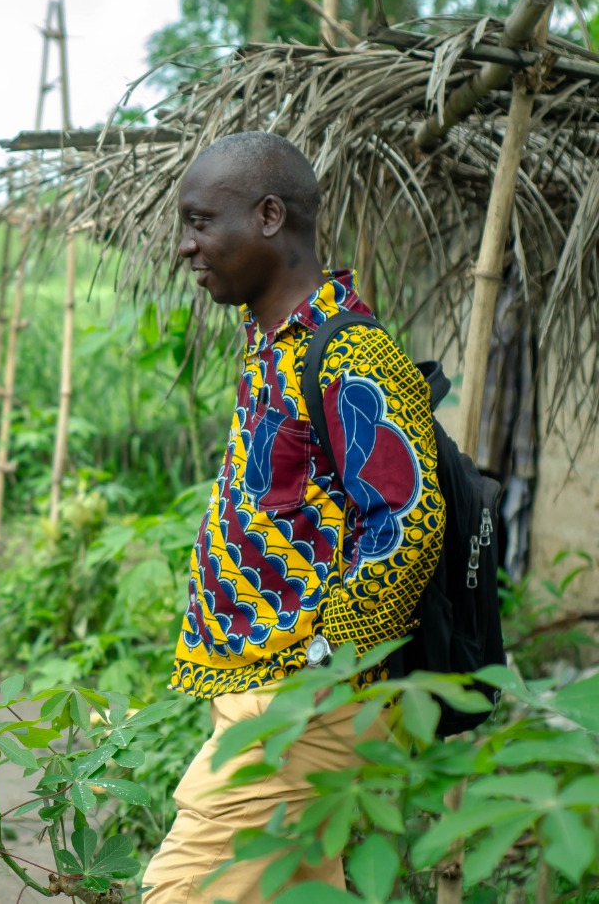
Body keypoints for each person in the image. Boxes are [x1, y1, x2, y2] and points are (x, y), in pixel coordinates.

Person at [141, 132, 444, 903]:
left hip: (300, 700)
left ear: (270, 216)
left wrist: (319, 668)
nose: (186, 246)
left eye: (202, 221)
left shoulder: (353, 356)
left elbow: (407, 525)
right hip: (268, 692)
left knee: (181, 888)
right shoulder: (273, 343)